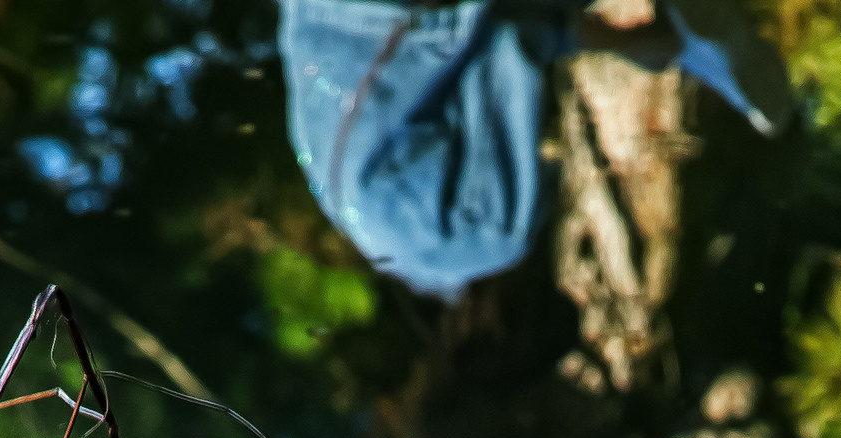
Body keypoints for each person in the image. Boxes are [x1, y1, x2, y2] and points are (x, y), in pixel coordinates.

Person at [279, 0, 792, 297]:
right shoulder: (364, 200)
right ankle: (689, 46)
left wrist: (631, 42)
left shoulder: (465, 232)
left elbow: (507, 46)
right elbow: (494, 41)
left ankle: (690, 46)